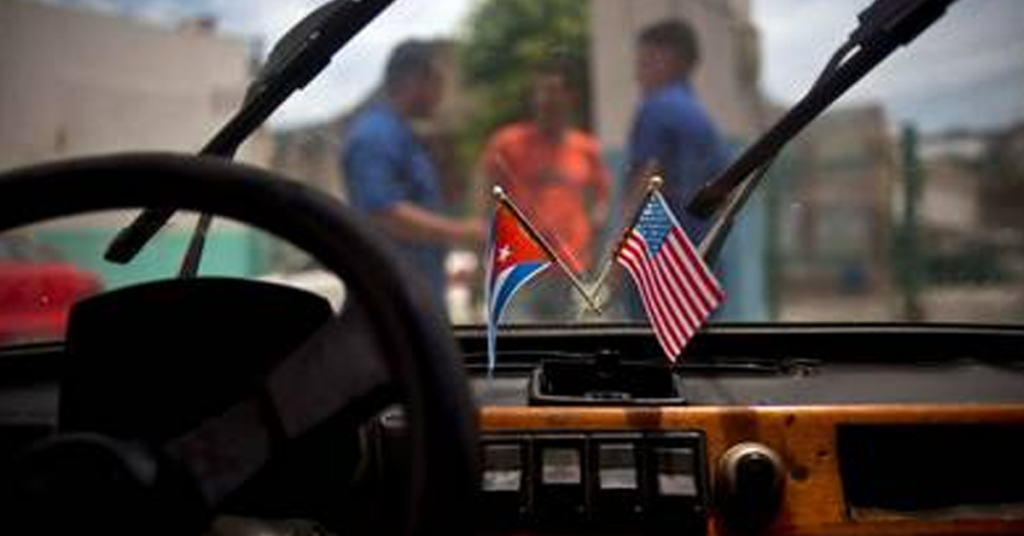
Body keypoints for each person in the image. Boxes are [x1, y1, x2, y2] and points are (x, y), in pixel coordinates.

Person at [341, 40, 485, 309]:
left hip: (415, 294)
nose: (441, 93)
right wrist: (465, 232)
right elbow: (385, 214)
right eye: (438, 82)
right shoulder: (375, 136)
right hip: (389, 303)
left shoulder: (404, 136)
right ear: (415, 80)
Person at [478, 60, 612, 320]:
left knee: (568, 347)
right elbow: (485, 201)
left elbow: (602, 199)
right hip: (521, 270)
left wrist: (594, 226)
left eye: (553, 90)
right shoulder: (506, 143)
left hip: (570, 270)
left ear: (569, 97)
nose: (546, 99)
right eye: (540, 91)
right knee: (520, 347)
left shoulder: (586, 148)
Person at [626, 18, 729, 244]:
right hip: (700, 256)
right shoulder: (703, 121)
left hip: (658, 262)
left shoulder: (657, 109)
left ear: (669, 60)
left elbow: (646, 186)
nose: (637, 74)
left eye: (644, 62)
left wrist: (616, 266)